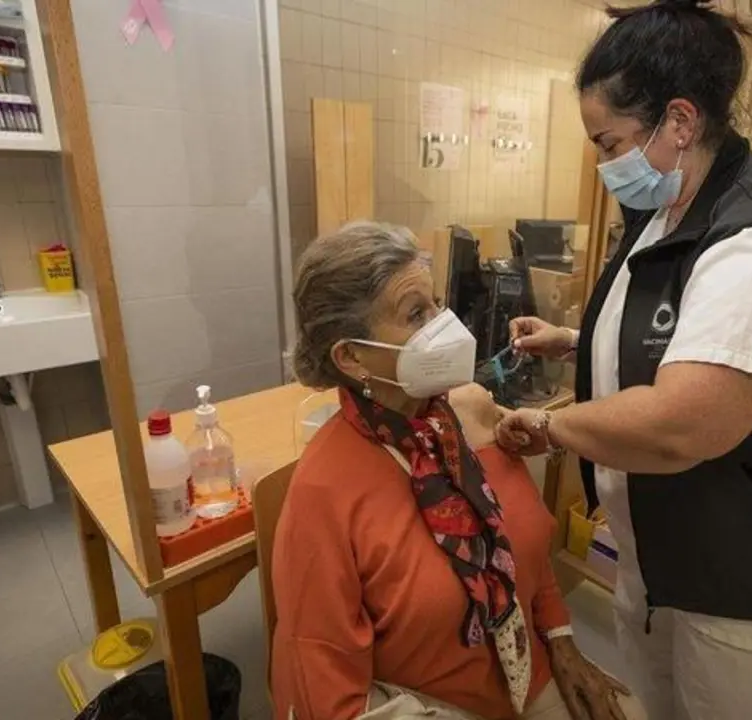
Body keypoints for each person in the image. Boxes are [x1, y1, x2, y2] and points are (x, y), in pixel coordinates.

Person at [497, 2, 752, 719]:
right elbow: (685, 337)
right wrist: (577, 343)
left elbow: (689, 421)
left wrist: (550, 428)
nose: (602, 162)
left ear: (679, 122)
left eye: (609, 141)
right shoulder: (670, 210)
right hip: (665, 553)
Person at [273, 222, 643, 720]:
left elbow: (526, 545)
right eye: (415, 315)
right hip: (432, 705)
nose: (444, 326)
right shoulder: (323, 493)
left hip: (527, 670)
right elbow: (326, 686)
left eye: (437, 304)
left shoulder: (465, 414)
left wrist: (560, 641)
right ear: (353, 357)